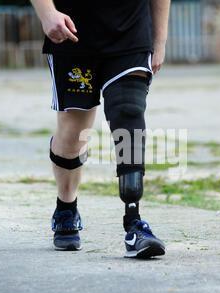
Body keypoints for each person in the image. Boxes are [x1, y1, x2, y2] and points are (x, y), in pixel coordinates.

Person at [31, 0, 171, 258]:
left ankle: (134, 223)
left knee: (128, 111)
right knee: (74, 133)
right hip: (71, 34)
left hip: (131, 32)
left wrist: (160, 39)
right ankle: (66, 206)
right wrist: (47, 13)